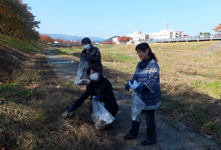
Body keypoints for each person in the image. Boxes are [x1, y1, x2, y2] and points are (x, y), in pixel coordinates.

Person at [123, 43, 161, 145]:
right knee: (136, 115)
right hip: (139, 96)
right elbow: (136, 76)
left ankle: (151, 138)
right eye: (137, 52)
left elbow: (153, 80)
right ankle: (133, 133)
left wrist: (142, 87)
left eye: (140, 52)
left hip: (149, 97)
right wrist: (130, 83)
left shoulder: (153, 64)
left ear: (147, 51)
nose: (139, 54)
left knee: (149, 119)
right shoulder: (140, 64)